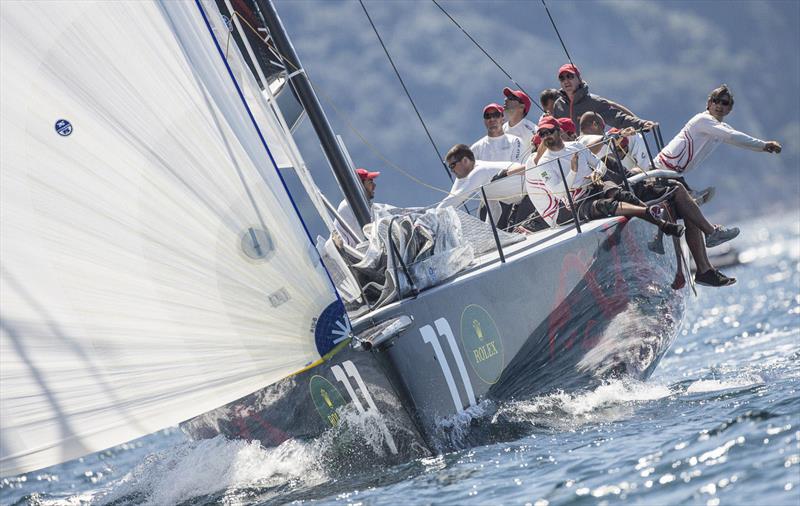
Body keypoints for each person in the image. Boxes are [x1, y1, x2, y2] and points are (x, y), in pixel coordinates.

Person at [512, 116, 683, 236]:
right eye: (542, 134)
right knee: (607, 205)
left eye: (548, 132)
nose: (545, 136)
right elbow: (558, 192)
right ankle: (659, 221)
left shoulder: (576, 146)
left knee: (620, 193)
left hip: (594, 185)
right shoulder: (544, 163)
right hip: (576, 202)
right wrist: (573, 170)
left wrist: (597, 173)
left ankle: (655, 218)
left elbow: (599, 164)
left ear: (558, 131)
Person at [653, 84, 782, 175]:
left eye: (724, 103)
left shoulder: (720, 129)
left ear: (729, 109)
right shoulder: (703, 119)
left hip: (674, 172)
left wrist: (764, 148)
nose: (719, 105)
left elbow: (739, 141)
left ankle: (691, 194)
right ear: (709, 104)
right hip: (662, 167)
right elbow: (732, 135)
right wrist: (764, 144)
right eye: (716, 101)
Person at [438, 144, 526, 228]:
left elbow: (457, 197)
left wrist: (430, 216)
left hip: (533, 192)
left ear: (465, 160)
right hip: (522, 202)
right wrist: (488, 231)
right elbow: (495, 209)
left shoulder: (480, 171)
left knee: (522, 231)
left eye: (452, 165)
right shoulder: (479, 181)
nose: (452, 170)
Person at [552, 63, 656, 134]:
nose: (566, 81)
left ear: (579, 79)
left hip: (591, 154)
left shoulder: (593, 102)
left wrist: (642, 124)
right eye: (562, 78)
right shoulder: (558, 105)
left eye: (570, 76)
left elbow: (618, 118)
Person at [333, 168, 379, 247]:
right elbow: (370, 233)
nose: (374, 186)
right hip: (352, 255)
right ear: (359, 185)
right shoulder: (351, 205)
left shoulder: (359, 203)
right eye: (370, 182)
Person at [502, 88, 537, 156]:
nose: (506, 99)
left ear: (522, 106)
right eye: (507, 97)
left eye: (511, 98)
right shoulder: (502, 128)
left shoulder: (534, 130)